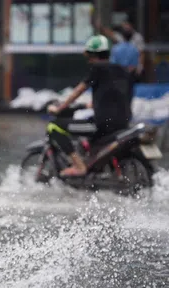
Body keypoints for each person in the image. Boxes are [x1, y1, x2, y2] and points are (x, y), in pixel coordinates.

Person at [47, 35, 132, 177]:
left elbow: (78, 91)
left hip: (103, 125)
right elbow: (116, 96)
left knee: (54, 126)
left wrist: (60, 107)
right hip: (123, 123)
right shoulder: (122, 70)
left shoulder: (97, 68)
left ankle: (79, 166)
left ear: (92, 55)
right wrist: (89, 105)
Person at [110, 27, 140, 103]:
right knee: (128, 97)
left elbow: (112, 64)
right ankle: (127, 112)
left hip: (118, 75)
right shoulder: (134, 49)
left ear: (122, 36)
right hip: (129, 76)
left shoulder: (115, 48)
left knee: (118, 97)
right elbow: (134, 66)